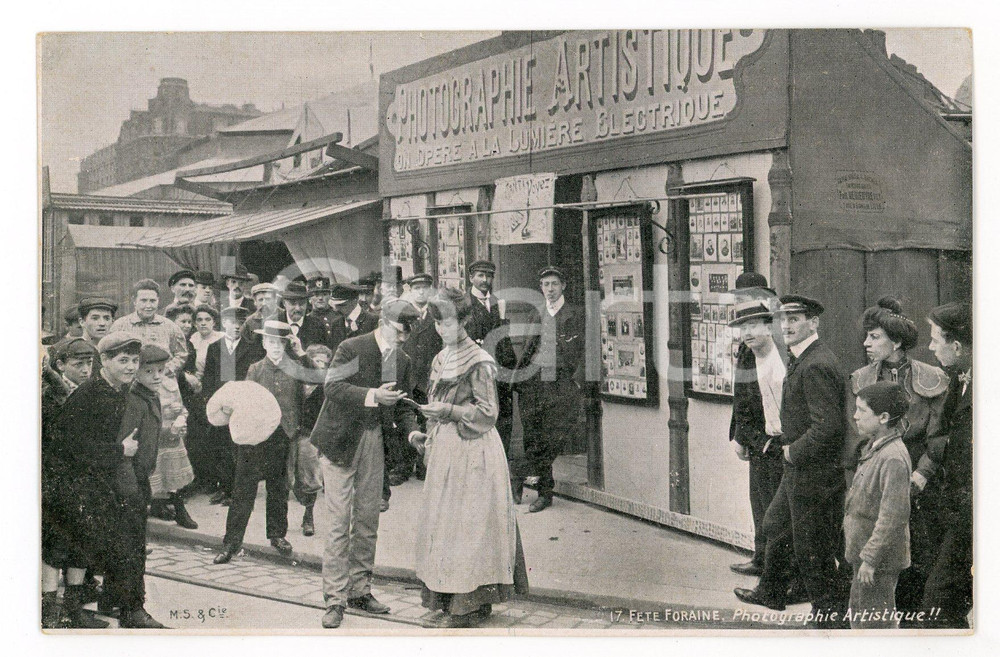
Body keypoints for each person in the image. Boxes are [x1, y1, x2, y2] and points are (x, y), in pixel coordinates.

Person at [408, 288, 529, 628]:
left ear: (463, 320)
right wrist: (425, 434)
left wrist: (447, 410)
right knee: (444, 524)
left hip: (474, 449)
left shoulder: (478, 360)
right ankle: (445, 600)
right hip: (447, 446)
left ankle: (469, 606)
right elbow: (434, 401)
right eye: (436, 323)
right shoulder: (440, 358)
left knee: (470, 526)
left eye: (446, 322)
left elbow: (489, 412)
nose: (441, 329)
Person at [734, 295, 847, 629]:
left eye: (795, 319)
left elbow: (827, 427)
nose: (787, 326)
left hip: (813, 471)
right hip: (798, 468)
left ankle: (830, 614)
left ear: (813, 323)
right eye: (784, 320)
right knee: (775, 526)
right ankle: (771, 590)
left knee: (813, 545)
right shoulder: (804, 358)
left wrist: (790, 450)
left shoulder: (816, 364)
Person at [310, 299, 421, 628]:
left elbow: (402, 405)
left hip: (374, 441)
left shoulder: (402, 360)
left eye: (408, 334)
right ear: (385, 321)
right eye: (401, 331)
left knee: (368, 519)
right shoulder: (351, 346)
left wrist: (414, 433)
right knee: (338, 522)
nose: (403, 338)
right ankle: (334, 598)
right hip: (341, 441)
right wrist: (373, 395)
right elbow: (333, 387)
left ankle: (360, 590)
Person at [55, 333, 166, 628]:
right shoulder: (89, 394)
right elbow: (70, 446)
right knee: (114, 548)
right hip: (94, 485)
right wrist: (119, 452)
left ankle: (115, 604)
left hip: (115, 483)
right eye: (123, 360)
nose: (131, 367)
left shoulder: (120, 391)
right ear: (104, 360)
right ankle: (128, 610)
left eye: (133, 361)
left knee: (121, 547)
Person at [846, 297, 949, 616]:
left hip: (920, 483)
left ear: (898, 342)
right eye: (866, 336)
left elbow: (940, 435)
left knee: (917, 559)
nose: (866, 343)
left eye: (874, 337)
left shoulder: (931, 377)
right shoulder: (861, 378)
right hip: (876, 482)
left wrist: (923, 473)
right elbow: (857, 441)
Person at [213, 321, 303, 564]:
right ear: (264, 343)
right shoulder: (254, 369)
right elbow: (244, 398)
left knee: (278, 487)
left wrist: (302, 353)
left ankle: (276, 534)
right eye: (271, 342)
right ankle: (231, 542)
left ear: (287, 344)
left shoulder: (296, 368)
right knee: (244, 488)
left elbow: (318, 380)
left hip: (283, 435)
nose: (275, 347)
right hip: (255, 436)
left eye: (281, 342)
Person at [99, 344, 169, 622]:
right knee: (131, 547)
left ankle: (110, 600)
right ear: (137, 372)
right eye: (148, 371)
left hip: (140, 479)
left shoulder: (150, 396)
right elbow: (124, 449)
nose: (156, 376)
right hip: (128, 483)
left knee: (126, 543)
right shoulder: (134, 400)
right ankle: (133, 609)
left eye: (160, 371)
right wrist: (131, 492)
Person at [726, 287, 788, 579]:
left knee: (779, 510)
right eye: (743, 328)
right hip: (759, 441)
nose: (747, 333)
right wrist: (742, 436)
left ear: (768, 325)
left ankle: (778, 571)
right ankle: (761, 558)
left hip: (782, 443)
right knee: (759, 502)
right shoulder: (748, 354)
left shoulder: (783, 356)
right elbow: (742, 398)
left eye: (753, 326)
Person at [514, 266, 585, 512]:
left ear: (563, 285)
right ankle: (545, 493)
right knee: (536, 437)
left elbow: (586, 350)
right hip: (536, 384)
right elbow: (528, 348)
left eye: (554, 284)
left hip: (562, 385)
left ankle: (519, 474)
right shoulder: (538, 313)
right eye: (546, 285)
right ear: (541, 288)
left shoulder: (575, 314)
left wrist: (577, 380)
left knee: (555, 436)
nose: (550, 289)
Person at [844, 381, 912, 629]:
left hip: (877, 562)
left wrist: (871, 559)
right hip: (864, 556)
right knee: (863, 619)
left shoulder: (892, 457)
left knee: (873, 627)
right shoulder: (876, 447)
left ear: (883, 417)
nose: (855, 415)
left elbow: (893, 517)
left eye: (862, 410)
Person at [921, 302, 973, 629]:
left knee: (938, 601)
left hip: (972, 511)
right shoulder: (958, 378)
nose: (930, 347)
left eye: (935, 340)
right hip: (956, 505)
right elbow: (940, 434)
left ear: (956, 345)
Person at [41, 338, 98, 628]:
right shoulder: (49, 395)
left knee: (82, 544)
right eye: (79, 364)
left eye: (89, 363)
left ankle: (73, 608)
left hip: (84, 479)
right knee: (55, 546)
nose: (86, 369)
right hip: (57, 478)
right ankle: (49, 610)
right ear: (60, 365)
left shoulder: (89, 391)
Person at [465, 260, 519, 496]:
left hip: (499, 373)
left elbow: (504, 339)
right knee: (480, 421)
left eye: (489, 276)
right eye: (480, 276)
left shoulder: (498, 303)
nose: (485, 281)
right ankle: (479, 476)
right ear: (471, 278)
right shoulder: (465, 304)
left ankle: (500, 473)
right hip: (476, 373)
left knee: (503, 420)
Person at [202, 306, 264, 506]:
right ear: (224, 324)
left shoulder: (253, 347)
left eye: (240, 323)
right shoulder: (214, 347)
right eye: (232, 323)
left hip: (242, 405)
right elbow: (209, 379)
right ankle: (225, 488)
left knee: (239, 447)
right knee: (221, 447)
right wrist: (212, 402)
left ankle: (238, 492)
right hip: (221, 405)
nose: (236, 327)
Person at [391, 272, 441, 485]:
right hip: (408, 376)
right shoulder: (404, 313)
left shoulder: (436, 314)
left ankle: (423, 464)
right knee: (405, 417)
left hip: (429, 377)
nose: (421, 291)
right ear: (410, 290)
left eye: (425, 288)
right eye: (417, 288)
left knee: (428, 419)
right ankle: (403, 466)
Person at [146, 337, 197, 529]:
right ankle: (154, 508)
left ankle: (179, 508)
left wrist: (181, 419)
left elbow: (181, 406)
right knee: (152, 474)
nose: (158, 373)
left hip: (173, 436)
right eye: (151, 369)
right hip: (154, 436)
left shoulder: (169, 379)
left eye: (161, 367)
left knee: (174, 474)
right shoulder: (139, 385)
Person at [108, 279, 189, 376]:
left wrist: (166, 369)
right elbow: (110, 355)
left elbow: (181, 354)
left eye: (152, 301)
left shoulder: (170, 327)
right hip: (130, 382)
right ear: (134, 301)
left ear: (158, 300)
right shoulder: (120, 326)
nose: (148, 305)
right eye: (143, 301)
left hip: (163, 381)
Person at [294, 343, 332, 536]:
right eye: (316, 361)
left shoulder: (326, 386)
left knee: (309, 474)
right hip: (290, 432)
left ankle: (308, 516)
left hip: (310, 434)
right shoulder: (295, 380)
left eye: (324, 364)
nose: (320, 367)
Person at [279, 280, 328, 350]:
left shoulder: (317, 326)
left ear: (307, 303)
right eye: (293, 303)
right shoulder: (274, 322)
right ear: (284, 303)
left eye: (302, 303)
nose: (298, 308)